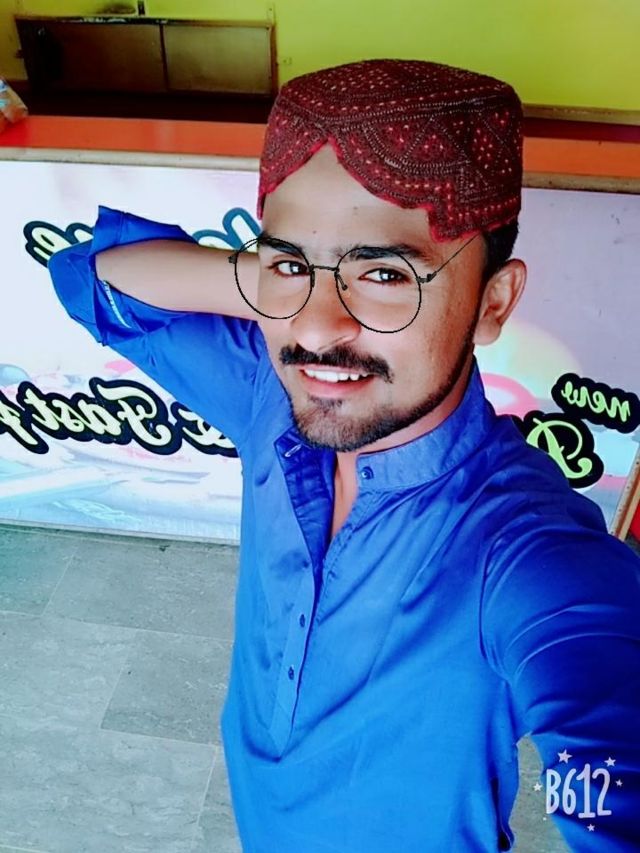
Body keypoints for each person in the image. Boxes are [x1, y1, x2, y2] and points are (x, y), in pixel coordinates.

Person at [47, 59, 640, 852]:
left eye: (385, 273)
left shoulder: (523, 550)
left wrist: (297, 276)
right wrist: (281, 281)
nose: (318, 329)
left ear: (492, 302)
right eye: (288, 264)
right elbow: (88, 279)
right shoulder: (272, 400)